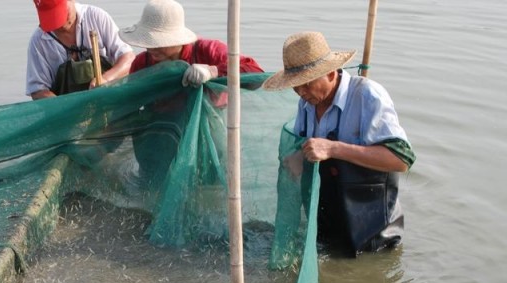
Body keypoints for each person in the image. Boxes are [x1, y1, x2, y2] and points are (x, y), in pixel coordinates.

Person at [262, 31, 416, 255]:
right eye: (295, 86)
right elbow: (309, 149)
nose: (301, 92)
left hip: (373, 234)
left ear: (331, 74)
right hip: (327, 226)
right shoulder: (307, 103)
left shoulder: (367, 96)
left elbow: (402, 160)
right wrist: (299, 157)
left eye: (306, 83)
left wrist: (334, 148)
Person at [118, 0, 263, 85]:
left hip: (207, 122)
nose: (152, 49)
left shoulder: (208, 50)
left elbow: (255, 73)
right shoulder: (142, 63)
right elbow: (130, 102)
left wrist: (214, 71)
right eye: (148, 42)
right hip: (158, 126)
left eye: (158, 43)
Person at [27, 0, 135, 99]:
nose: (60, 24)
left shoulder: (96, 17)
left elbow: (128, 58)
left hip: (109, 98)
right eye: (52, 18)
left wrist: (106, 79)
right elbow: (37, 90)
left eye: (61, 14)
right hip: (67, 111)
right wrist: (64, 107)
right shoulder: (39, 41)